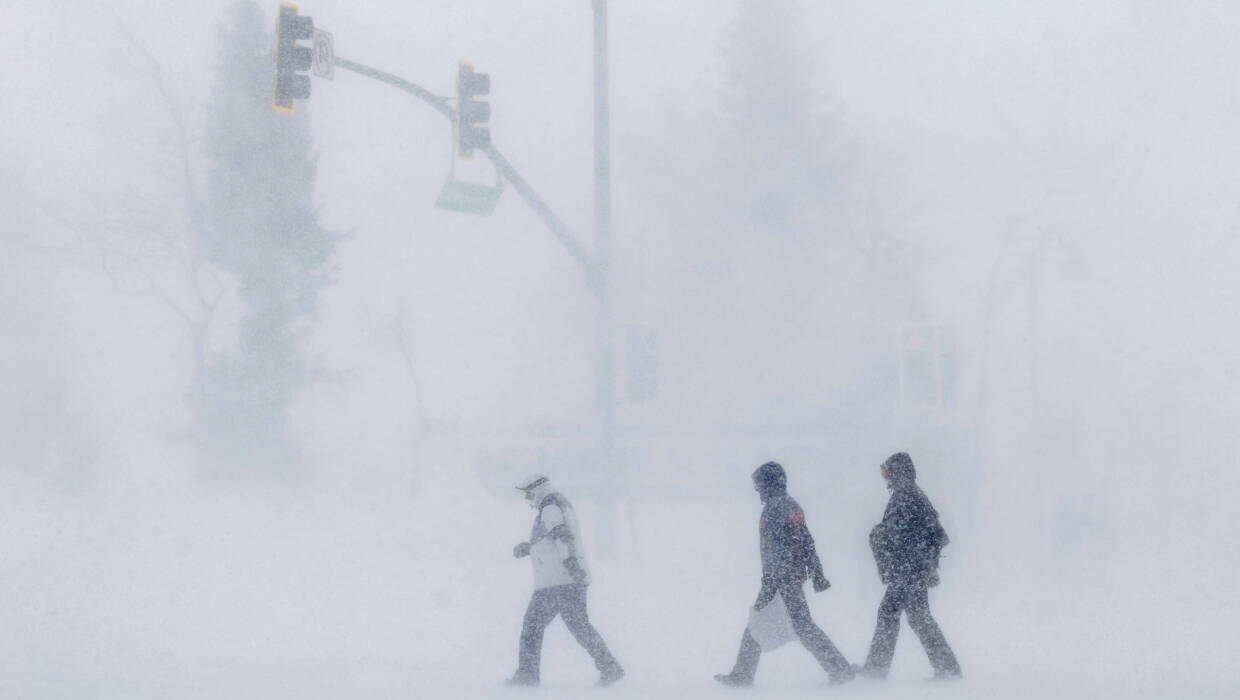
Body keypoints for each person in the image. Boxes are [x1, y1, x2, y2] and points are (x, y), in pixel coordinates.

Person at [715, 462, 854, 687]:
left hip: (781, 577)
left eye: (759, 484)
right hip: (786, 575)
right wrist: (816, 571)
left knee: (772, 623)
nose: (757, 490)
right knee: (796, 624)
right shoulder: (789, 505)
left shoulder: (776, 508)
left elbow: (789, 545)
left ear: (770, 483)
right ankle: (840, 668)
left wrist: (775, 578)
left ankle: (743, 674)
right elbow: (806, 540)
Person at [506, 473, 624, 687]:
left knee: (532, 627)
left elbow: (563, 536)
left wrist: (571, 565)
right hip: (564, 580)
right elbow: (550, 538)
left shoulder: (550, 506)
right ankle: (609, 666)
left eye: (527, 494)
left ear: (537, 489)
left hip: (558, 581)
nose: (527, 499)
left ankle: (527, 675)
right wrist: (529, 548)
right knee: (579, 627)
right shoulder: (555, 504)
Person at [860, 452, 962, 680]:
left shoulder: (905, 495)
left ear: (897, 472)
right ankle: (947, 667)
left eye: (887, 472)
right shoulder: (911, 492)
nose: (885, 477)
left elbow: (897, 535)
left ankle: (877, 671)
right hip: (912, 568)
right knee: (916, 616)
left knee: (897, 615)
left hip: (908, 569)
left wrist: (877, 533)